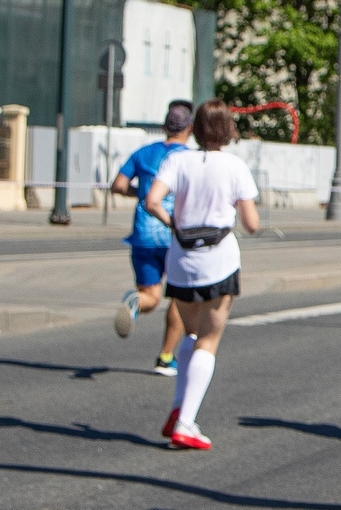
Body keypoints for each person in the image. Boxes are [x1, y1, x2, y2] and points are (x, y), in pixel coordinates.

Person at [141, 102, 261, 451]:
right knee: (208, 341)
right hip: (219, 260)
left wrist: (174, 223)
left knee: (190, 334)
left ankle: (180, 407)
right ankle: (186, 423)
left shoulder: (178, 160)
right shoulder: (235, 166)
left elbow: (152, 201)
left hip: (181, 259)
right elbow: (251, 224)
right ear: (228, 130)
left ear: (195, 128)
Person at [110, 100, 194, 376]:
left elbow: (119, 185)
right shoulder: (189, 158)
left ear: (163, 127)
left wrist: (141, 193)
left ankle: (135, 301)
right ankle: (166, 357)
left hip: (144, 235)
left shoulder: (143, 153)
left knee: (150, 295)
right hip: (175, 235)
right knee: (179, 300)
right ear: (189, 129)